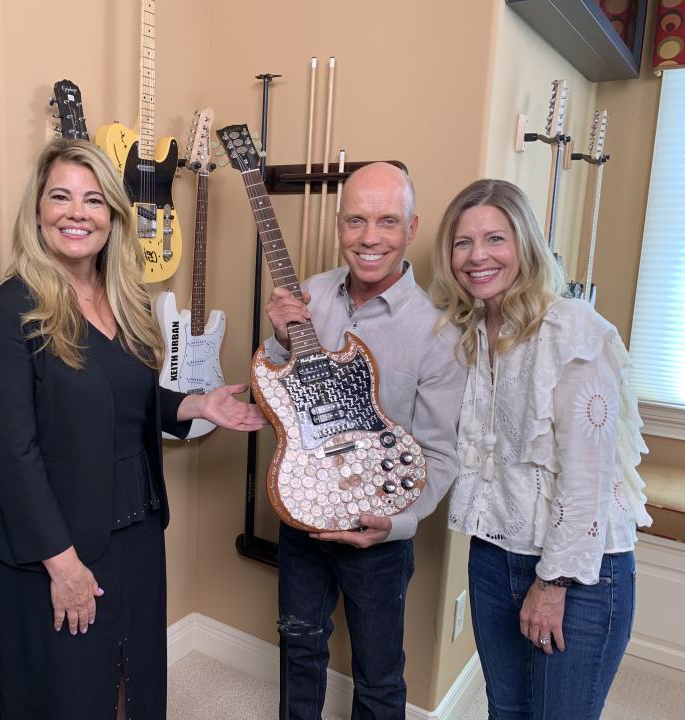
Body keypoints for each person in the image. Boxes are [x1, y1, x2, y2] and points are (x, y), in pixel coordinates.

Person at [0, 138, 264, 720]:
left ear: (114, 217)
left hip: (135, 524)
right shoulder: (6, 310)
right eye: (61, 197)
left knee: (135, 679)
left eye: (94, 200)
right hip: (58, 537)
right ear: (37, 211)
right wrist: (63, 563)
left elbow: (118, 398)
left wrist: (198, 404)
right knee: (67, 693)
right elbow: (11, 451)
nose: (78, 212)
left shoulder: (123, 299)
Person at [431, 179, 651, 719]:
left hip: (580, 573)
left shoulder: (572, 331)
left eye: (494, 239)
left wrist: (552, 584)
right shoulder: (472, 331)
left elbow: (587, 480)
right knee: (506, 709)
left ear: (525, 244)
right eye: (463, 242)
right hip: (492, 554)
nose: (477, 256)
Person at [264, 162, 466, 719]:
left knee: (378, 676)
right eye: (356, 220)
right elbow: (275, 392)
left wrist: (394, 526)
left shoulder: (438, 335)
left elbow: (441, 454)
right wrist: (280, 341)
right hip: (302, 512)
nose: (370, 237)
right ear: (338, 224)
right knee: (298, 648)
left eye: (386, 221)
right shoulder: (308, 297)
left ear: (412, 227)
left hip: (378, 533)